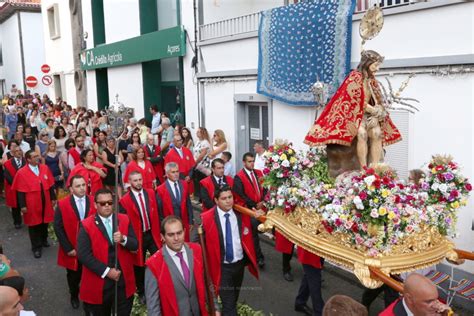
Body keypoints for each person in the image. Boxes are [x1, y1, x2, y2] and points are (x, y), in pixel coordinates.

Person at [304, 50, 401, 168]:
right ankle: (364, 168)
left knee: (377, 133)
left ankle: (376, 168)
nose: (377, 69)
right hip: (354, 116)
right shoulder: (355, 77)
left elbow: (379, 100)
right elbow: (356, 101)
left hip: (369, 116)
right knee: (362, 134)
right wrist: (373, 111)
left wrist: (377, 114)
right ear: (367, 63)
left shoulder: (372, 80)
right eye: (375, 65)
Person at [77, 189, 138, 316]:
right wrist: (107, 272)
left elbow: (135, 245)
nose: (106, 206)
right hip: (100, 284)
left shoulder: (124, 219)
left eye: (110, 203)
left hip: (123, 282)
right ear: (95, 205)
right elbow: (83, 255)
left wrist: (123, 239)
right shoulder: (86, 225)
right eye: (102, 203)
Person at [201, 185, 259, 316]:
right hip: (222, 268)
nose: (228, 201)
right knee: (229, 306)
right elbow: (197, 244)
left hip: (239, 265)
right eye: (224, 198)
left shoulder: (241, 214)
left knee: (233, 299)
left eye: (230, 197)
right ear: (216, 200)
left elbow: (258, 226)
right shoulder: (207, 218)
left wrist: (259, 216)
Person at [145, 216, 210, 315]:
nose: (176, 238)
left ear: (184, 232)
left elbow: (207, 282)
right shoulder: (153, 264)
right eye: (171, 235)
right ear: (162, 237)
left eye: (179, 233)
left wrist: (215, 307)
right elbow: (153, 306)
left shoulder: (196, 250)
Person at [54, 175, 96, 309]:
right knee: (74, 276)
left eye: (84, 185)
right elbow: (58, 227)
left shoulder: (93, 200)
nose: (82, 188)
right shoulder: (62, 204)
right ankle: (74, 295)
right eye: (78, 186)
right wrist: (68, 248)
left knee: (91, 274)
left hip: (91, 248)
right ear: (71, 189)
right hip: (72, 248)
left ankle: (89, 298)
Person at [119, 171, 161, 303]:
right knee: (139, 266)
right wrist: (129, 241)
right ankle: (142, 291)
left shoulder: (151, 193)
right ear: (130, 182)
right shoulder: (124, 201)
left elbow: (159, 213)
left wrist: (162, 232)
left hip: (152, 234)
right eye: (135, 180)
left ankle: (161, 285)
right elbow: (123, 223)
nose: (138, 183)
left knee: (160, 259)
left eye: (140, 179)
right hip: (138, 237)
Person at [12, 150, 56, 258]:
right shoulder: (22, 172)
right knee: (34, 225)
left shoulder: (44, 168)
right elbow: (20, 191)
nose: (38, 158)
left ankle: (44, 240)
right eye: (34, 156)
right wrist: (22, 206)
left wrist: (53, 198)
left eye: (38, 156)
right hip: (31, 202)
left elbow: (50, 185)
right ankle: (36, 247)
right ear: (28, 159)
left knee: (45, 222)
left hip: (45, 199)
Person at [233, 152, 266, 268]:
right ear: (244, 162)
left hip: (262, 207)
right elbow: (241, 196)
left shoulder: (259, 173)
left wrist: (263, 201)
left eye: (253, 161)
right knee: (253, 233)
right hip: (250, 210)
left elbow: (265, 187)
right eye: (249, 161)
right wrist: (255, 205)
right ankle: (258, 257)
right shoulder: (238, 177)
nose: (252, 164)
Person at [380, 273, 450, 316]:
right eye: (429, 301)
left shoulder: (439, 308)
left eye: (436, 299)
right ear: (410, 299)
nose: (436, 305)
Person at [156, 162, 194, 242]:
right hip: (170, 225)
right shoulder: (160, 190)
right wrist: (163, 228)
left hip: (184, 222)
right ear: (167, 174)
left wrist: (191, 220)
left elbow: (188, 204)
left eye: (177, 171)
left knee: (185, 244)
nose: (176, 174)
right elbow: (160, 212)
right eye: (173, 172)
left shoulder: (184, 184)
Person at [294, 247, 324, 316]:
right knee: (314, 280)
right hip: (310, 247)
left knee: (310, 275)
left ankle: (300, 302)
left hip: (317, 247)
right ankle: (319, 312)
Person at [3, 147, 25, 229]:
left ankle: (28, 220)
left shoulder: (27, 161)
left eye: (20, 150)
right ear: (13, 153)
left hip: (26, 187)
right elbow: (7, 176)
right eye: (17, 151)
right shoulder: (7, 163)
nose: (19, 152)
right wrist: (16, 184)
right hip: (13, 187)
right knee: (15, 206)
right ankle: (17, 222)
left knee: (27, 204)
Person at [192, 127, 212, 200]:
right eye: (197, 131)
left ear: (203, 133)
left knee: (203, 182)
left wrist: (195, 162)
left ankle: (202, 199)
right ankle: (199, 197)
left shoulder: (205, 142)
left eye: (199, 132)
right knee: (197, 182)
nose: (197, 133)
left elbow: (202, 154)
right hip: (197, 165)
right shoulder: (198, 141)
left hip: (203, 165)